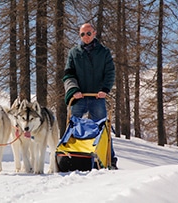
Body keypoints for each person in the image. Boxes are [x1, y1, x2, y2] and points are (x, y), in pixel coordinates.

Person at [63, 23, 118, 169]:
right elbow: (69, 74)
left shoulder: (104, 52)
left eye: (88, 33)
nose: (85, 37)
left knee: (102, 129)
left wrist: (105, 90)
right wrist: (73, 90)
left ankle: (109, 160)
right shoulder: (74, 52)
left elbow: (110, 72)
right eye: (82, 34)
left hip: (97, 97)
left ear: (94, 33)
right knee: (73, 127)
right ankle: (70, 157)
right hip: (79, 97)